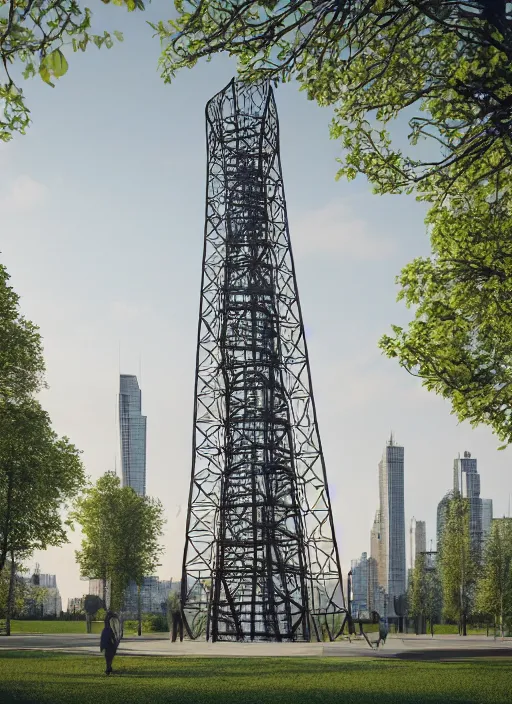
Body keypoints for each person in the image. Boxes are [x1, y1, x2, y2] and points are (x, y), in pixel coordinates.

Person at [100, 611, 120, 675]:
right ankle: (108, 668)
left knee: (108, 657)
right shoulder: (108, 630)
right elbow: (112, 638)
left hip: (107, 645)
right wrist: (115, 643)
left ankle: (108, 668)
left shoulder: (106, 629)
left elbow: (104, 639)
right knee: (109, 657)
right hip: (109, 645)